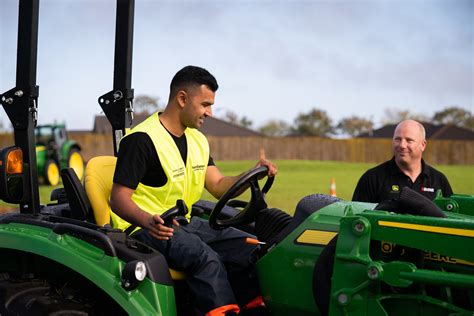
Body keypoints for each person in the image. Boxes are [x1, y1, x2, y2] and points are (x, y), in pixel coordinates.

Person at [110, 65, 277, 316]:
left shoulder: (197, 139)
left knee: (249, 246)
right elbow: (118, 199)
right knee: (206, 258)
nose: (210, 112)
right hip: (148, 229)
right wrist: (149, 221)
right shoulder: (141, 139)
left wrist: (251, 173)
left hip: (185, 223)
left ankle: (255, 309)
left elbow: (219, 185)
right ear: (182, 98)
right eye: (205, 104)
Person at [352, 119, 453, 203]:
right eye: (398, 139)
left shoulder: (439, 180)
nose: (402, 145)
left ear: (423, 145)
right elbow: (357, 219)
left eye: (409, 140)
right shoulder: (372, 178)